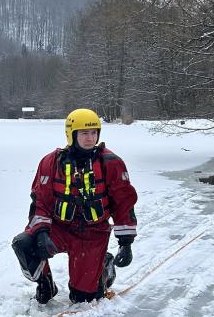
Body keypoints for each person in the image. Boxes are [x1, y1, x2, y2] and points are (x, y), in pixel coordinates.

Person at [12, 108, 138, 304]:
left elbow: (123, 203)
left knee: (82, 298)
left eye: (94, 132)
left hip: (93, 234)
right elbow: (40, 201)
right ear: (71, 134)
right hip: (61, 229)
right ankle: (45, 284)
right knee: (24, 243)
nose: (90, 138)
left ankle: (104, 265)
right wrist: (41, 232)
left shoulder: (110, 163)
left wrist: (126, 242)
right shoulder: (50, 162)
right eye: (84, 133)